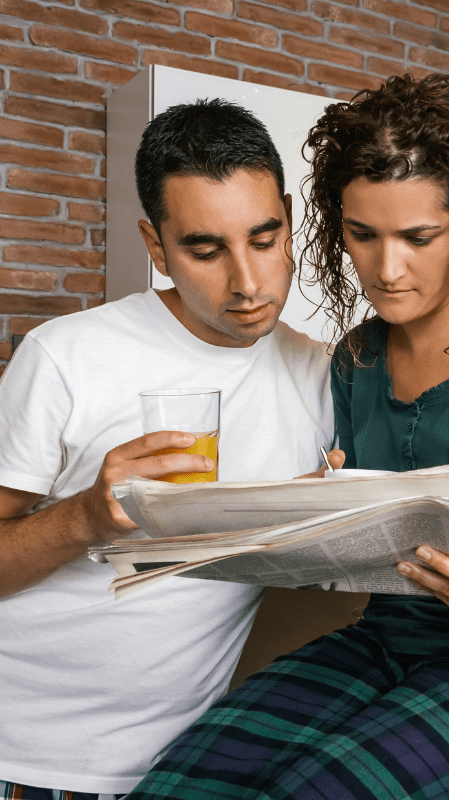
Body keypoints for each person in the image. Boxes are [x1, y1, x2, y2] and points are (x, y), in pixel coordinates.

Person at [125, 74, 449, 800]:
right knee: (180, 787)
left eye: (418, 237)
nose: (386, 267)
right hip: (387, 648)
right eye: (361, 235)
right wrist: (311, 514)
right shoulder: (356, 359)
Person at [0, 98, 342, 799]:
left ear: (289, 220)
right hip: (19, 752)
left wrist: (325, 518)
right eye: (205, 248)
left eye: (264, 238)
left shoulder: (322, 376)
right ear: (156, 246)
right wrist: (86, 519)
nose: (247, 283)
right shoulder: (64, 357)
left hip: (180, 766)